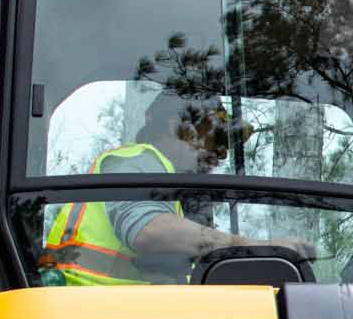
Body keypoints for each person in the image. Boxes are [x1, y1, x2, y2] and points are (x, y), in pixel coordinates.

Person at [39, 88, 305, 285]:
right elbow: (149, 231)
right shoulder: (137, 161)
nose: (223, 154)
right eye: (215, 137)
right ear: (180, 128)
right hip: (86, 315)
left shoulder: (169, 187)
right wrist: (253, 246)